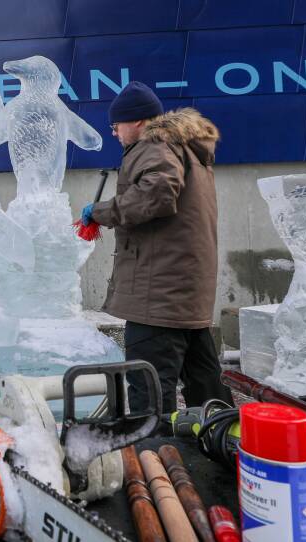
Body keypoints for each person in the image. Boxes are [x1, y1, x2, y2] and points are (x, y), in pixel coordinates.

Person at [80, 82, 233, 416]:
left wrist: (101, 212)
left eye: (116, 126)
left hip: (158, 289)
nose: (115, 133)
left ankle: (155, 452)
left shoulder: (154, 144)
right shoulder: (187, 148)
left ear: (136, 121)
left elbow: (158, 193)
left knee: (148, 387)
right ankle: (220, 441)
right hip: (184, 285)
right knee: (204, 382)